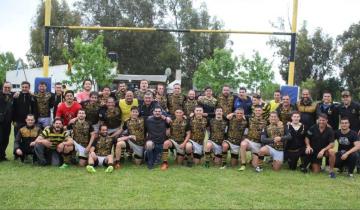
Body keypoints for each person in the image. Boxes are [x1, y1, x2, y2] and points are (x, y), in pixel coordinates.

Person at [303, 114, 336, 178]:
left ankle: (331, 171)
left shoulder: (330, 130)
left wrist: (323, 150)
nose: (321, 122)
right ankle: (312, 165)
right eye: (320, 120)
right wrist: (308, 146)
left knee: (332, 151)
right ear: (317, 120)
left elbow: (332, 144)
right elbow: (307, 138)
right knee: (316, 171)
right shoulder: (313, 127)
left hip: (325, 151)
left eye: (323, 120)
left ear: (327, 121)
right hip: (314, 151)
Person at [238, 106, 267, 171]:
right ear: (254, 111)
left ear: (262, 111)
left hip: (258, 144)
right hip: (249, 141)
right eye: (256, 110)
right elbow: (239, 115)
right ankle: (243, 164)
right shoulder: (249, 119)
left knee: (255, 165)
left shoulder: (266, 121)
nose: (257, 112)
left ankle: (252, 160)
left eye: (259, 110)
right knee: (243, 144)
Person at [0, 82, 13, 161]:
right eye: (5, 87)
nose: (7, 89)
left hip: (8, 122)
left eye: (9, 87)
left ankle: (2, 155)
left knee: (6, 139)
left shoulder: (12, 96)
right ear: (2, 87)